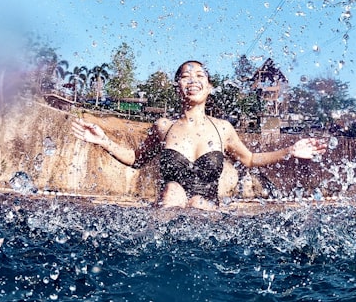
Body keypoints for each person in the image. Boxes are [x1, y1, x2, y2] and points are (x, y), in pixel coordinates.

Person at [70, 60, 327, 209]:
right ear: (177, 86)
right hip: (167, 218)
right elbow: (136, 159)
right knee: (172, 191)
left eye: (199, 75)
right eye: (185, 76)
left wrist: (289, 151)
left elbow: (248, 160)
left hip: (206, 221)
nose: (192, 79)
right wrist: (103, 140)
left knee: (198, 204)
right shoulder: (163, 127)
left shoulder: (223, 128)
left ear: (209, 86)